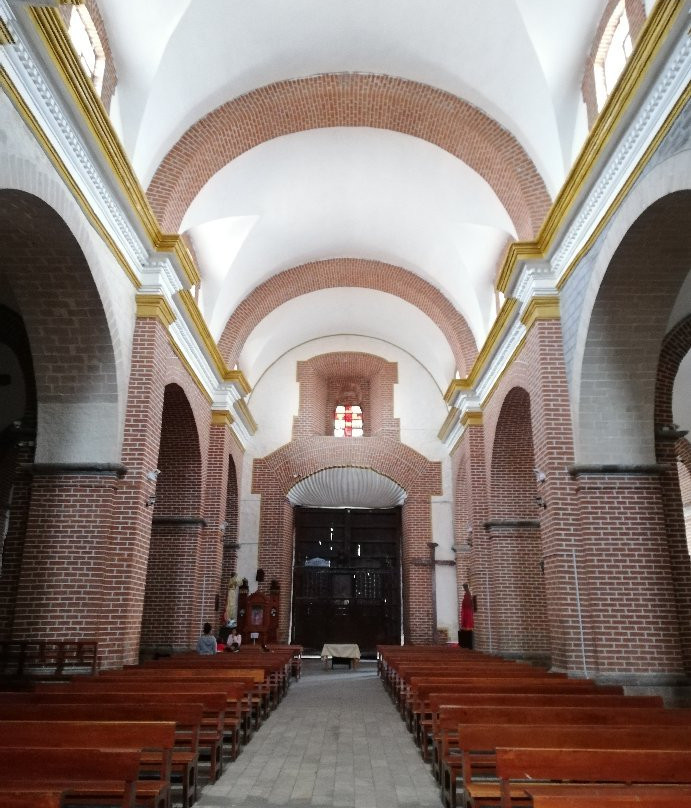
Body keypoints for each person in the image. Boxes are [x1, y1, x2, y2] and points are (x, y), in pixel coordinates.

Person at [459, 583, 475, 649]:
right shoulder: (467, 593)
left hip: (467, 611)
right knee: (465, 623)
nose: (464, 588)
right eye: (463, 587)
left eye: (464, 587)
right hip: (465, 610)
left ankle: (468, 629)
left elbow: (469, 603)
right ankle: (466, 629)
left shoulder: (468, 593)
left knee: (467, 623)